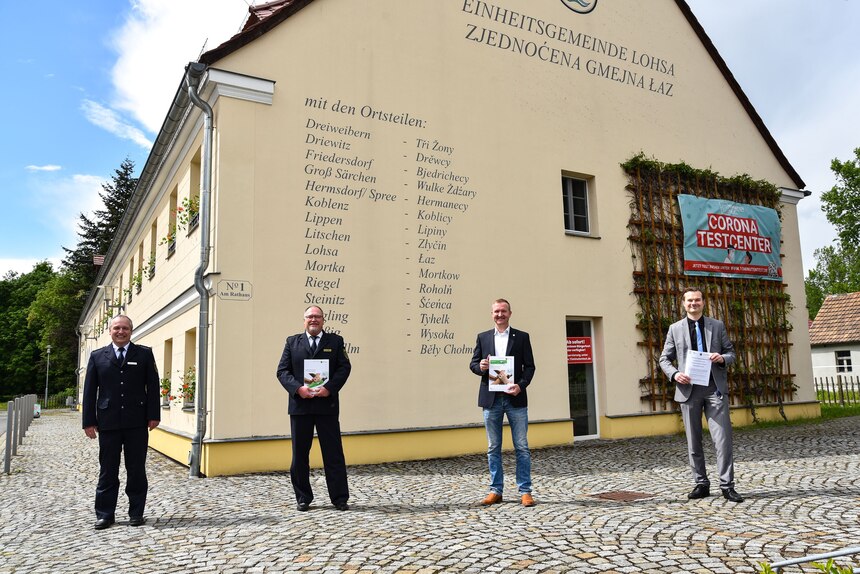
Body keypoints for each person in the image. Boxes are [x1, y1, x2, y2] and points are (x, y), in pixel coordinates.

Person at [658, 288, 743, 502]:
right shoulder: (675, 329)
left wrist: (722, 358)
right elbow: (664, 359)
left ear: (703, 302)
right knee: (693, 441)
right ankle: (701, 483)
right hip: (689, 390)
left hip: (714, 389)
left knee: (722, 439)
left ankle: (727, 485)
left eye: (697, 300)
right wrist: (675, 374)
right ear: (683, 304)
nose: (693, 303)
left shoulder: (717, 325)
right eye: (689, 300)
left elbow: (731, 353)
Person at [82, 315, 161, 530]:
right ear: (110, 331)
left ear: (131, 331)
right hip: (108, 423)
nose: (121, 331)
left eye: (125, 328)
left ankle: (136, 513)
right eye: (117, 328)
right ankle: (105, 514)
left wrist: (154, 415)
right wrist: (88, 421)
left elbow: (153, 387)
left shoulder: (144, 354)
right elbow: (89, 392)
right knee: (108, 470)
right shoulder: (98, 357)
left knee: (136, 469)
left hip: (137, 422)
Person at [276, 305, 352, 511]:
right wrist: (297, 388)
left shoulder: (335, 342)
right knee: (300, 454)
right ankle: (303, 497)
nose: (313, 320)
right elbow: (282, 371)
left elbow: (345, 367)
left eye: (317, 317)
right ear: (304, 320)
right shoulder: (292, 342)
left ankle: (339, 498)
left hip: (327, 405)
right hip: (300, 407)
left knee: (333, 453)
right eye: (310, 316)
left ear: (323, 320)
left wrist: (329, 388)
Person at [469, 298, 536, 507]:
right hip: (491, 400)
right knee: (493, 447)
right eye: (496, 311)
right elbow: (473, 364)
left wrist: (521, 385)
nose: (500, 315)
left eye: (503, 311)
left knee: (522, 447)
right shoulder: (483, 337)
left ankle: (525, 491)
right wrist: (480, 366)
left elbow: (530, 367)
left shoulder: (522, 337)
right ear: (492, 314)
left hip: (514, 398)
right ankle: (495, 490)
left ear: (510, 313)